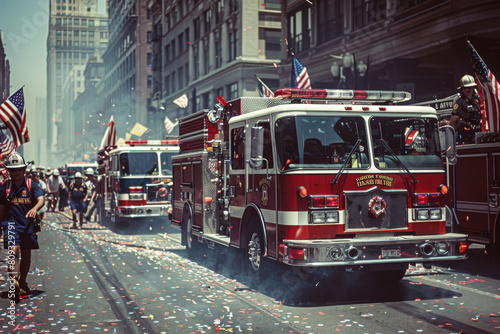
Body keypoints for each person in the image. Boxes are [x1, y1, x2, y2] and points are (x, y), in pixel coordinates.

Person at [0, 153, 44, 301]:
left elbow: (41, 199)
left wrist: (35, 209)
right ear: (8, 171)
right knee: (14, 251)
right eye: (12, 170)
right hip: (11, 224)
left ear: (24, 169)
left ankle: (22, 280)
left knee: (26, 254)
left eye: (18, 169)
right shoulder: (4, 186)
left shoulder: (32, 184)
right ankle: (14, 282)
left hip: (27, 225)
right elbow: (1, 207)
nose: (16, 173)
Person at [450, 74, 482, 145]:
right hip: (466, 137)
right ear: (462, 89)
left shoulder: (478, 101)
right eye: (466, 87)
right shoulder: (459, 103)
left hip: (479, 133)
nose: (469, 89)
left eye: (471, 87)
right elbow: (452, 122)